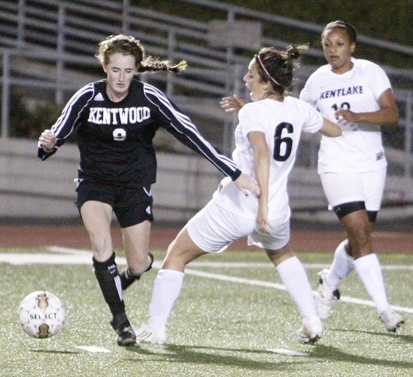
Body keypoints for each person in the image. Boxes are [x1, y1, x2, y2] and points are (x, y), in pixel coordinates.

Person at [37, 34, 260, 347]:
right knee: (102, 246)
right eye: (115, 70)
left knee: (139, 263)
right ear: (105, 67)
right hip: (95, 184)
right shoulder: (87, 97)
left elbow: (189, 134)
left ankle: (124, 277)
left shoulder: (149, 98)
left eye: (128, 71)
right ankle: (122, 323)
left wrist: (234, 172)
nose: (121, 78)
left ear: (136, 70)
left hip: (134, 186)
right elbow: (56, 137)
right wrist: (46, 144)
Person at [135, 44, 342, 345]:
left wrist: (260, 209)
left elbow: (261, 152)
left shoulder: (255, 113)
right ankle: (311, 320)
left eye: (251, 75)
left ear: (268, 82)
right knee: (282, 253)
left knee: (176, 255)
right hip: (278, 209)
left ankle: (155, 327)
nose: (246, 79)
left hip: (240, 205)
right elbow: (334, 130)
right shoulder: (297, 108)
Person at [299, 20, 404, 332]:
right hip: (336, 165)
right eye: (327, 44)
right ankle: (385, 311)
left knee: (361, 237)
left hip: (372, 164)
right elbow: (300, 116)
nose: (333, 50)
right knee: (360, 234)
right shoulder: (317, 81)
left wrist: (359, 115)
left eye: (339, 44)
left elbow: (392, 114)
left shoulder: (370, 72)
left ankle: (328, 282)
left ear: (352, 47)